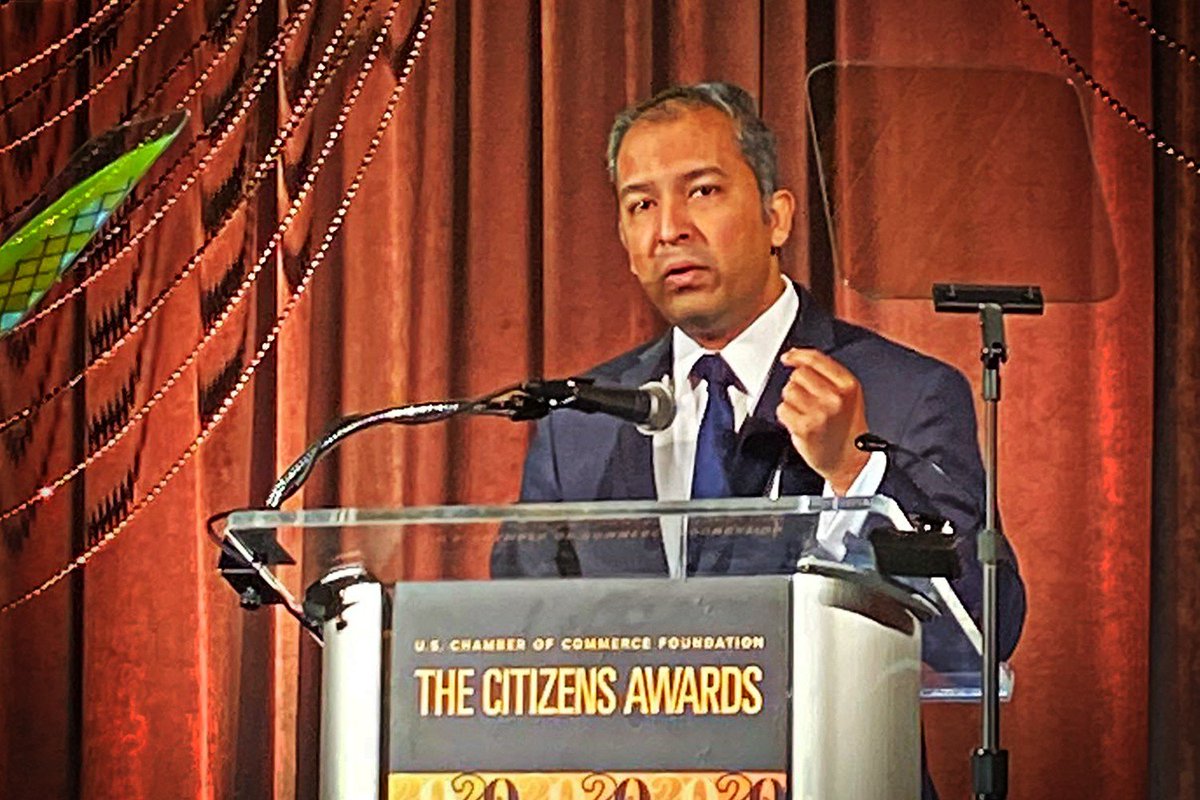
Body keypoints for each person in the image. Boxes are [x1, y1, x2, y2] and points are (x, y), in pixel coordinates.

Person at [490, 82, 1026, 797]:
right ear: (625, 242)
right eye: (641, 204)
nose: (669, 228)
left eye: (702, 191)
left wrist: (856, 476)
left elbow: (984, 633)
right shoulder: (578, 422)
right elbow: (519, 648)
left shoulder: (905, 392)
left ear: (777, 217)